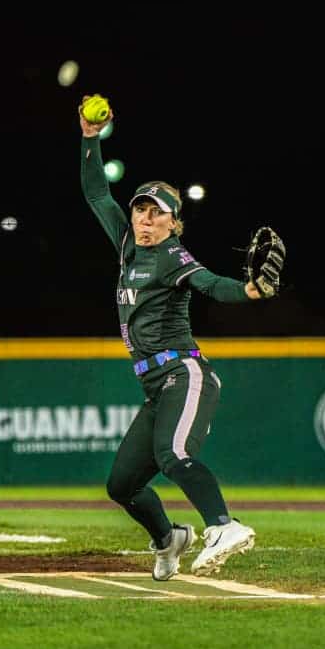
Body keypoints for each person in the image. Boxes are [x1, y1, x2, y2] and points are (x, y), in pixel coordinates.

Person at [78, 96, 271, 580]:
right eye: (141, 210)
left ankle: (223, 525)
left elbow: (210, 284)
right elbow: (97, 194)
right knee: (122, 485)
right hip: (153, 384)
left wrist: (248, 289)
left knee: (174, 456)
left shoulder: (173, 257)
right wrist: (88, 137)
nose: (144, 218)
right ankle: (170, 538)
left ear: (172, 222)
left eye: (155, 212)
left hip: (184, 373)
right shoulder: (127, 244)